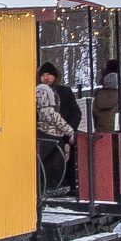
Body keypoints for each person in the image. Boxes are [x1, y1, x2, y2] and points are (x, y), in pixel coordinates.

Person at [35, 63, 74, 192]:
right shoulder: (36, 93)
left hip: (61, 136)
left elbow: (75, 114)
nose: (46, 78)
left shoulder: (64, 92)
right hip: (43, 135)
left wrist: (69, 134)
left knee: (59, 162)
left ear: (55, 76)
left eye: (49, 75)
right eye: (43, 75)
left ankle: (63, 187)